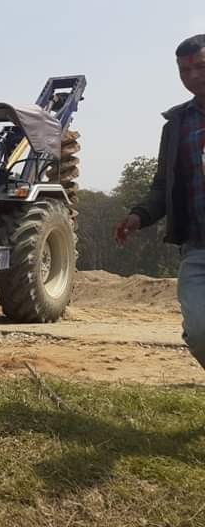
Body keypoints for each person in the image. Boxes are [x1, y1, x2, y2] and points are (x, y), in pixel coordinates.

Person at [115, 34, 205, 370]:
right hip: (198, 249)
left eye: (201, 67)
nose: (193, 76)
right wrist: (138, 216)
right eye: (184, 71)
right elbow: (163, 187)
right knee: (199, 332)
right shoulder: (177, 126)